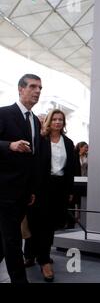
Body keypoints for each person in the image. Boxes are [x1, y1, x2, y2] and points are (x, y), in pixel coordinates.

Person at [0, 74, 42, 283]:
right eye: (33, 87)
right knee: (13, 239)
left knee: (6, 240)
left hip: (24, 193)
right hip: (5, 189)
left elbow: (33, 159)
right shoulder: (4, 113)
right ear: (20, 89)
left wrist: (32, 190)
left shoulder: (35, 120)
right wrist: (9, 145)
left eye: (40, 88)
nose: (37, 91)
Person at [25, 109, 75, 282]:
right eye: (54, 119)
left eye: (61, 119)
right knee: (38, 223)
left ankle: (37, 255)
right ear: (49, 121)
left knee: (50, 223)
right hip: (41, 187)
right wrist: (31, 189)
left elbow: (70, 170)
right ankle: (42, 260)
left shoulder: (68, 143)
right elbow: (33, 166)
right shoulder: (41, 140)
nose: (58, 122)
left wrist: (69, 191)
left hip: (60, 188)